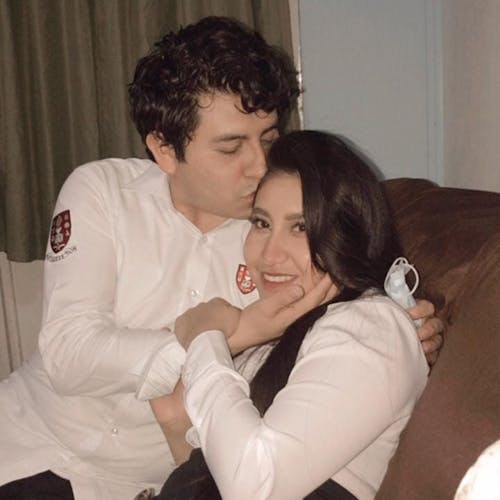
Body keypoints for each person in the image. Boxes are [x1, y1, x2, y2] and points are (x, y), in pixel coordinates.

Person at [0, 16, 441, 500]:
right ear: (164, 149)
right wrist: (231, 333)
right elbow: (68, 352)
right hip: (33, 443)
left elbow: (351, 310)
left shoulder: (275, 239)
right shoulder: (103, 192)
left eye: (268, 139)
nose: (260, 166)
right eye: (231, 148)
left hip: (145, 483)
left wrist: (410, 321)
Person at [149, 130, 430, 500]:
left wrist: (205, 338)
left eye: (300, 227)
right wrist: (176, 423)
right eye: (262, 223)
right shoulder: (278, 334)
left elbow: (255, 486)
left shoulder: (369, 325)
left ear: (347, 236)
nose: (269, 255)